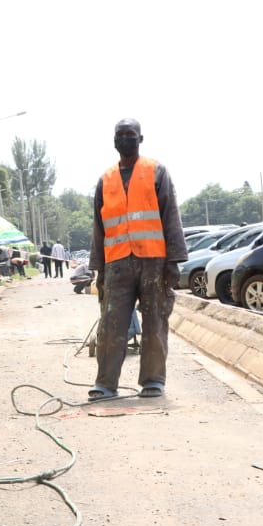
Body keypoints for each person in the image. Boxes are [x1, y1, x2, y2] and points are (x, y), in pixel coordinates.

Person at [87, 118, 188, 401]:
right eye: (120, 135)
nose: (125, 139)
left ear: (140, 139)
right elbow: (99, 227)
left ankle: (153, 381)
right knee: (111, 326)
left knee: (155, 322)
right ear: (114, 141)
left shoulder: (156, 171)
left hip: (153, 262)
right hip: (117, 264)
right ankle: (106, 383)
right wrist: (99, 270)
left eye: (130, 135)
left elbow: (171, 217)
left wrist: (173, 261)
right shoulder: (105, 179)